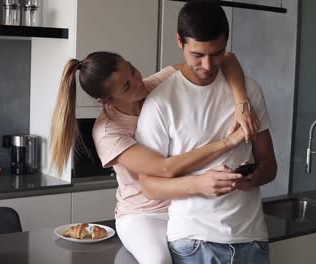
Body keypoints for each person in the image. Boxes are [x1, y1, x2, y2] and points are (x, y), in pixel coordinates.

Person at [49, 51, 259, 263]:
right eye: (126, 86)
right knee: (159, 260)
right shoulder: (108, 133)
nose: (139, 81)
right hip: (144, 215)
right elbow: (164, 168)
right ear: (106, 100)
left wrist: (242, 105)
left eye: (132, 70)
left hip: (185, 204)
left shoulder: (156, 84)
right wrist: (229, 142)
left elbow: (224, 59)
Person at [135, 1, 277, 264]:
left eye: (217, 53)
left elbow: (270, 164)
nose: (209, 64)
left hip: (252, 238)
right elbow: (148, 185)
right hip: (194, 243)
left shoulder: (249, 92)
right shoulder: (160, 102)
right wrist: (200, 184)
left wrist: (255, 176)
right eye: (198, 55)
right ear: (180, 41)